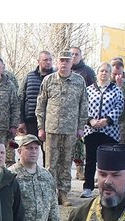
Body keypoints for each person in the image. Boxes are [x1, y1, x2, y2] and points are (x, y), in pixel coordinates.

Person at [37, 50, 88, 202]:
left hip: (70, 130)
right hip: (51, 129)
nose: (64, 63)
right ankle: (50, 193)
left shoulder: (79, 81)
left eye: (67, 60)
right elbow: (41, 105)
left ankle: (63, 193)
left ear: (72, 63)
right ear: (57, 62)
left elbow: (83, 105)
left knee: (66, 163)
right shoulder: (48, 80)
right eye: (61, 60)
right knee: (50, 164)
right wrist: (41, 127)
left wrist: (80, 127)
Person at [81, 62, 123, 200]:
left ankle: (107, 188)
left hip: (109, 132)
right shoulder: (88, 90)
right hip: (91, 131)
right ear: (97, 73)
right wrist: (91, 121)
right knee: (90, 160)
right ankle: (88, 187)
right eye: (101, 71)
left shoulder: (116, 90)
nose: (103, 73)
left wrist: (107, 120)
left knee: (107, 162)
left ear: (110, 74)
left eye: (106, 71)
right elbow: (83, 107)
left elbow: (119, 107)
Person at [22, 51, 54, 139]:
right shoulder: (29, 77)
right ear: (38, 61)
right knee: (31, 148)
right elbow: (21, 98)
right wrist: (21, 121)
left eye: (50, 60)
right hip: (31, 120)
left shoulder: (56, 77)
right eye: (45, 60)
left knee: (48, 151)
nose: (48, 62)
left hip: (51, 121)